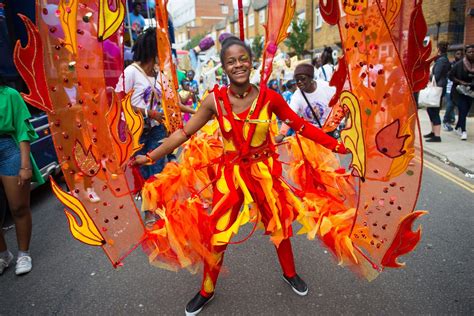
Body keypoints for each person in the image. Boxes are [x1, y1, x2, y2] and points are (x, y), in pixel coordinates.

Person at [132, 36, 347, 315]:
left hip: (264, 175)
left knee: (279, 226)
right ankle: (206, 290)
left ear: (252, 63)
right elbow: (184, 132)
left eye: (243, 59)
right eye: (231, 61)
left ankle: (290, 272)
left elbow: (303, 128)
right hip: (230, 176)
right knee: (218, 235)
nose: (238, 65)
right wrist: (150, 157)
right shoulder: (215, 101)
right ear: (224, 67)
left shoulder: (271, 98)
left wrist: (339, 145)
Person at [115, 28, 194, 223]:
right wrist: (149, 113)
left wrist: (199, 113)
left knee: (157, 167)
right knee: (144, 171)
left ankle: (157, 207)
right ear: (153, 50)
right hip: (137, 131)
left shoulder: (159, 75)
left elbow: (171, 102)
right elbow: (118, 101)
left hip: (157, 128)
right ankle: (149, 209)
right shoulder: (131, 72)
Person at [0, 74, 45, 275]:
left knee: (18, 207)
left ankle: (23, 253)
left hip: (9, 151)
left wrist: (25, 166)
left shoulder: (9, 94)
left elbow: (22, 130)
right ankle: (3, 255)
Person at [276, 63, 336, 142]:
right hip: (312, 135)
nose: (299, 82)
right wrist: (282, 133)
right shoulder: (297, 96)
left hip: (330, 131)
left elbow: (340, 103)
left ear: (311, 78)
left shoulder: (326, 87)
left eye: (303, 79)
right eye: (297, 80)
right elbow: (290, 115)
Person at [424, 41, 451, 142]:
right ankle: (433, 131)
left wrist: (428, 76)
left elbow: (437, 75)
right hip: (438, 88)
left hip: (437, 89)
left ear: (439, 49)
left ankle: (437, 136)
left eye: (435, 49)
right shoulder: (442, 59)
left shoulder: (442, 61)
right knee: (431, 110)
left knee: (434, 111)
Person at [448, 44, 474, 141]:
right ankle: (463, 131)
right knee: (462, 110)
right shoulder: (459, 64)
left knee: (466, 111)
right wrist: (460, 81)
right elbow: (450, 75)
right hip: (459, 91)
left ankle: (457, 127)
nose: (472, 53)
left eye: (473, 52)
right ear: (466, 53)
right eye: (469, 52)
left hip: (471, 91)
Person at [442, 49, 463, 131]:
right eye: (458, 54)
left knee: (456, 106)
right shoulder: (451, 64)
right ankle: (446, 121)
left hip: (460, 90)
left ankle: (452, 120)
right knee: (450, 105)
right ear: (454, 55)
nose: (459, 56)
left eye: (461, 54)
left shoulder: (464, 65)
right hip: (449, 89)